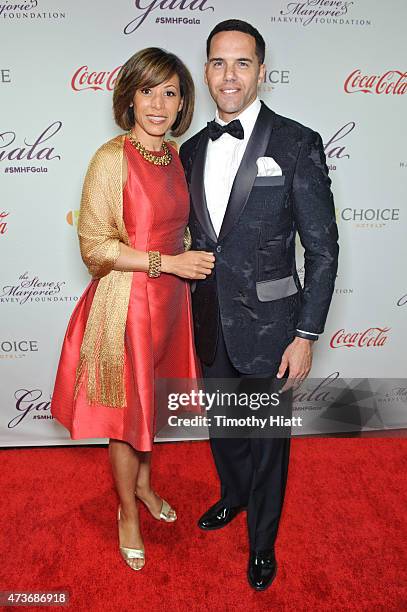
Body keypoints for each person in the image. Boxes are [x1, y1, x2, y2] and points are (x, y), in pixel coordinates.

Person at [179, 20, 339, 590]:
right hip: (209, 324)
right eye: (219, 63)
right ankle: (233, 496)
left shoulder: (297, 142)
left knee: (269, 443)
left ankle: (263, 543)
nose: (229, 75)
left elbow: (321, 249)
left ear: (261, 71)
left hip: (274, 329)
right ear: (206, 71)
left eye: (242, 63)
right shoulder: (190, 149)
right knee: (224, 428)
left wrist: (306, 334)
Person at [50, 47, 215, 571]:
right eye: (148, 91)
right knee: (126, 420)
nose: (159, 104)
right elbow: (95, 248)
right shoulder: (111, 157)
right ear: (129, 97)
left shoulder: (177, 156)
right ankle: (127, 513)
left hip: (168, 304)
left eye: (170, 92)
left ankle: (143, 486)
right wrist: (169, 264)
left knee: (150, 411)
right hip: (126, 306)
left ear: (184, 101)